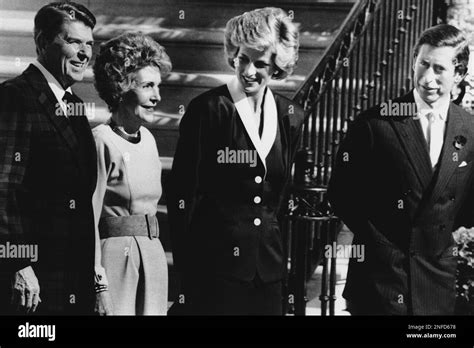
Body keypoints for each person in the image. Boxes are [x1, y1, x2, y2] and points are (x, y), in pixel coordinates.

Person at [328, 24, 474, 315]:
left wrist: (433, 233)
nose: (428, 78)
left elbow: (469, 206)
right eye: (423, 64)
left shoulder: (469, 130)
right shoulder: (375, 124)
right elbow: (342, 194)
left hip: (436, 281)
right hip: (379, 281)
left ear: (458, 74)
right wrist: (383, 240)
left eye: (439, 69)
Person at [166, 7, 303, 315]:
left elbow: (278, 197)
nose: (249, 70)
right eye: (243, 58)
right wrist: (188, 272)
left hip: (268, 270)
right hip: (214, 270)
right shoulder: (208, 110)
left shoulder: (291, 116)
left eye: (261, 62)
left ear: (277, 66)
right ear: (233, 54)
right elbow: (183, 195)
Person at [0, 2, 97, 315]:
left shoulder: (76, 106)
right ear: (42, 42)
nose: (85, 53)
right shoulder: (15, 96)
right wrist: (17, 264)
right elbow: (3, 188)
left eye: (90, 44)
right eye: (74, 42)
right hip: (33, 281)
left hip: (71, 276)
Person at [92, 32, 172, 315]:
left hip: (153, 255)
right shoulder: (100, 140)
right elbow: (88, 218)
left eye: (158, 86)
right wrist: (98, 282)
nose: (157, 96)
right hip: (116, 258)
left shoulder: (149, 139)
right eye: (148, 86)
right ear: (121, 87)